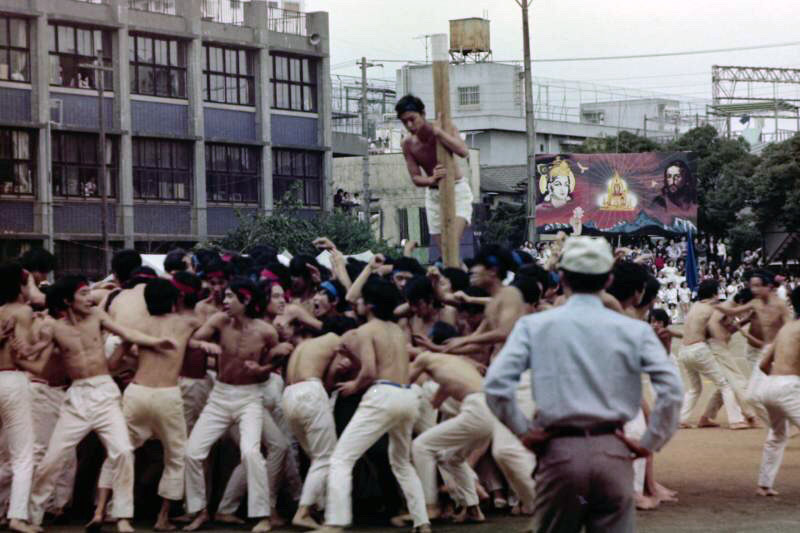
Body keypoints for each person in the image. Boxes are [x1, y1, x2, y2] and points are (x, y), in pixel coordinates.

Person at [484, 236, 683, 533]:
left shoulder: (535, 326)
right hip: (613, 449)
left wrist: (523, 431)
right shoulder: (634, 330)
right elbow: (672, 390)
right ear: (608, 279)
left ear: (562, 277)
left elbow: (496, 385)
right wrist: (649, 442)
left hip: (559, 451)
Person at [28, 275, 176, 533]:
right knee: (53, 457)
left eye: (89, 293)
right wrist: (18, 351)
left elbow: (126, 333)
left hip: (105, 391)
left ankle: (122, 516)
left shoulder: (97, 316)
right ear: (67, 300)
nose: (90, 298)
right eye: (83, 293)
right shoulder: (52, 327)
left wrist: (155, 342)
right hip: (77, 397)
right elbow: (36, 357)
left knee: (123, 451)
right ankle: (32, 516)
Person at [93, 279, 219, 531]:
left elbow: (114, 363)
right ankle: (163, 517)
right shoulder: (187, 323)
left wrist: (135, 357)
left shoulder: (137, 325)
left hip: (137, 392)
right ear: (175, 301)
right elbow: (211, 323)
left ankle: (103, 511)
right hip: (167, 395)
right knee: (176, 457)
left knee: (119, 452)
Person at [317, 278, 430, 533]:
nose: (356, 302)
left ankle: (335, 522)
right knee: (401, 462)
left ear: (369, 305)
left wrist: (353, 385)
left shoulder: (366, 331)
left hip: (383, 395)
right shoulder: (397, 330)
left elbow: (368, 372)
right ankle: (422, 521)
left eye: (360, 299)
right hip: (407, 395)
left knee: (341, 458)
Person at [183, 279, 277, 532]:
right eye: (225, 296)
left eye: (230, 296)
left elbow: (274, 363)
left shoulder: (266, 331)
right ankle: (200, 511)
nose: (224, 301)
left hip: (250, 397)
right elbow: (191, 341)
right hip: (220, 396)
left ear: (245, 300)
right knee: (192, 452)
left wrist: (262, 369)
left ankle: (263, 516)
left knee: (250, 453)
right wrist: (203, 344)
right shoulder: (218, 321)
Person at [410, 352, 494, 524]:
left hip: (476, 408)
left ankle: (430, 507)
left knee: (421, 446)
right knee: (451, 457)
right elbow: (438, 399)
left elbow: (401, 383)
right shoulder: (451, 365)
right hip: (491, 409)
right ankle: (473, 509)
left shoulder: (424, 358)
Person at [281, 328, 352, 529]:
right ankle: (303, 512)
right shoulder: (335, 339)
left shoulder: (304, 345)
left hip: (289, 394)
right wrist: (343, 372)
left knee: (316, 458)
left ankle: (317, 509)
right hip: (310, 391)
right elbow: (330, 379)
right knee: (326, 458)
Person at [397, 94, 472, 258]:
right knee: (445, 252)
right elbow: (415, 177)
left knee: (451, 243)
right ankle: (459, 273)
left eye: (412, 119)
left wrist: (439, 133)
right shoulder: (408, 144)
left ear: (423, 114)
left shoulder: (444, 128)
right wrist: (431, 179)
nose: (410, 125)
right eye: (404, 122)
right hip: (433, 194)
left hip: (457, 189)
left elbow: (463, 151)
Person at [677, 280, 748, 430]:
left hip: (683, 351)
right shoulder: (712, 309)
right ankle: (736, 420)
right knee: (725, 384)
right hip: (698, 349)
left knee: (695, 389)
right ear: (714, 293)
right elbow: (720, 329)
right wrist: (742, 321)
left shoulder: (695, 306)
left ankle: (681, 419)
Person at [751, 287, 800, 497]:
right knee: (778, 436)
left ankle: (764, 485)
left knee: (777, 436)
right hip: (787, 386)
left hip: (770, 385)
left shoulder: (786, 329)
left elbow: (764, 365)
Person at [0, 263, 37, 533]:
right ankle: (17, 516)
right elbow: (24, 352)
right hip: (12, 380)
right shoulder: (23, 311)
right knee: (22, 455)